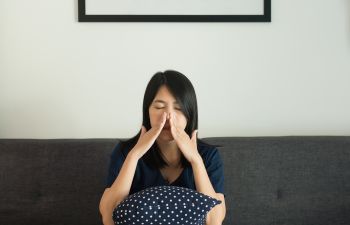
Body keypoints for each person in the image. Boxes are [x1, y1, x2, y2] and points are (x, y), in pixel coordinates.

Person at [99, 70, 226, 225]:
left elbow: (214, 221)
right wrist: (135, 155)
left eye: (178, 108)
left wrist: (195, 160)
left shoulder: (208, 156)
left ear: (190, 114)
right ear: (147, 111)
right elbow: (109, 218)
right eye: (159, 107)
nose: (168, 116)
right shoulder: (125, 153)